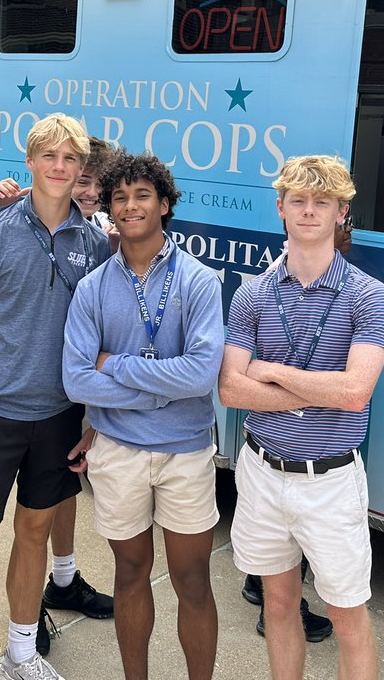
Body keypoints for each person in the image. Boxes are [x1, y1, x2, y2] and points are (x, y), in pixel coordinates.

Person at [0, 113, 112, 680]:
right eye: (49, 157)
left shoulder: (95, 244)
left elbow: (98, 340)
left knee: (34, 536)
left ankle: (21, 650)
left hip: (57, 417)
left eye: (71, 160)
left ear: (83, 169)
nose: (60, 168)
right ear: (30, 163)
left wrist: (90, 420)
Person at [219, 154, 384, 680]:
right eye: (299, 200)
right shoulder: (252, 294)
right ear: (281, 209)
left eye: (323, 202)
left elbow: (355, 392)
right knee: (277, 605)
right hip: (262, 471)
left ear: (342, 212)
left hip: (331, 481)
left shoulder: (369, 295)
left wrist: (271, 370)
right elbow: (230, 389)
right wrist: (318, 391)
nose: (310, 211)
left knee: (347, 617)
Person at [62, 152, 224, 680]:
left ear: (165, 203)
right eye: (119, 197)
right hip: (117, 451)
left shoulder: (198, 281)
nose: (130, 206)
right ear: (108, 209)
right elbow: (77, 380)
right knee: (130, 574)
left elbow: (201, 376)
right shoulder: (92, 289)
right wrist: (160, 390)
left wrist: (120, 368)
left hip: (185, 453)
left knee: (193, 580)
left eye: (142, 195)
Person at [0, 135, 117, 653]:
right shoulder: (15, 219)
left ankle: (63, 579)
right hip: (16, 394)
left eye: (92, 185)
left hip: (70, 394)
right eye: (79, 181)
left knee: (61, 494)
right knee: (24, 516)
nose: (85, 192)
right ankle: (28, 604)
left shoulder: (99, 239)